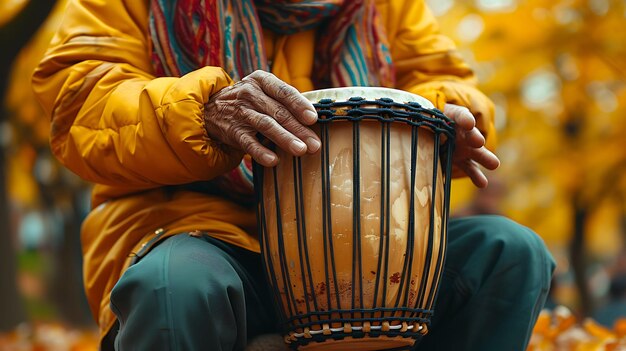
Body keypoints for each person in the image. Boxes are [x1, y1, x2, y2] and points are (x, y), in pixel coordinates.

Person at [32, 0, 555, 350]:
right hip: (196, 228)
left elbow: (444, 79)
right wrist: (202, 112)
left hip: (365, 243)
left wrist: (439, 119)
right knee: (174, 287)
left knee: (509, 251)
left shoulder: (385, 8)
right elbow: (79, 97)